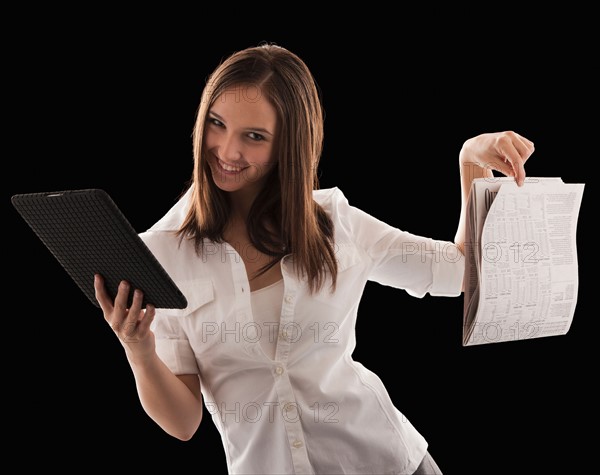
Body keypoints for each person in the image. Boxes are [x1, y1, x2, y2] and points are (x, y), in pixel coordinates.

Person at [94, 43, 534, 474]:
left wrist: (471, 164)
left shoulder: (336, 223)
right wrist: (138, 347)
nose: (227, 151)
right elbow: (183, 423)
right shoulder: (163, 252)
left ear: (289, 145)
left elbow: (460, 273)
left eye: (254, 136)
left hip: (388, 462)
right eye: (216, 123)